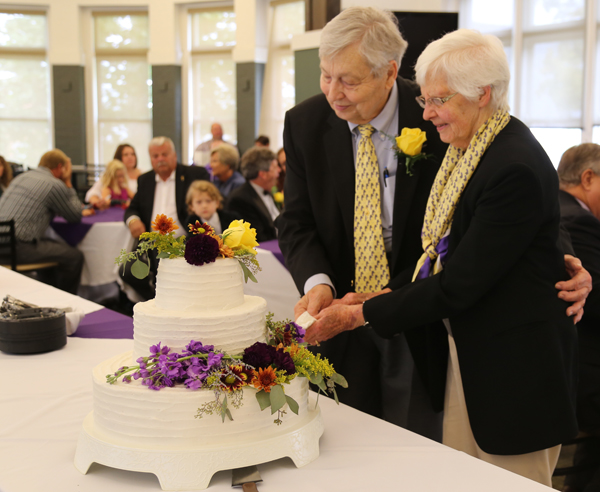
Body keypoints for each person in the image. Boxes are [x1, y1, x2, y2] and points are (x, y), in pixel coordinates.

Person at [276, 5, 589, 442]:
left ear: (389, 72)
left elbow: (513, 195)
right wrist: (319, 283)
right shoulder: (305, 122)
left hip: (429, 320)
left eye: (348, 79)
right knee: (347, 446)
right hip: (340, 311)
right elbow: (296, 221)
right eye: (326, 75)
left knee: (424, 447)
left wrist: (565, 257)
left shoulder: (445, 108)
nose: (333, 92)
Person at [557, 143, 600, 492]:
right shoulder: (578, 220)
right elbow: (595, 303)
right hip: (583, 370)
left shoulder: (556, 208)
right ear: (588, 177)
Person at [122, 136, 210, 300]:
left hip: (183, 241)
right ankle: (153, 300)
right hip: (151, 242)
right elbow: (132, 208)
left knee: (162, 264)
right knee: (126, 270)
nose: (160, 159)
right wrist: (133, 220)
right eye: (155, 156)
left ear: (174, 155)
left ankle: (165, 301)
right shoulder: (145, 180)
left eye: (164, 154)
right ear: (150, 159)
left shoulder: (194, 175)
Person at [0, 149, 84, 294]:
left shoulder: (21, 178)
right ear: (60, 167)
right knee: (74, 256)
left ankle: (48, 295)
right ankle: (65, 300)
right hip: (17, 247)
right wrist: (68, 181)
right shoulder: (54, 184)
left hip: (4, 242)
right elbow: (75, 215)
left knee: (50, 248)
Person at [226, 147, 279, 242]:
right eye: (275, 167)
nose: (279, 171)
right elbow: (259, 238)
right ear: (263, 174)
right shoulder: (240, 199)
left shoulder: (267, 191)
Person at [86, 143, 140, 209]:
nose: (130, 157)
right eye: (126, 154)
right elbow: (93, 193)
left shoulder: (143, 175)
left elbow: (137, 199)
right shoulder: (107, 180)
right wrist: (98, 202)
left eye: (133, 154)